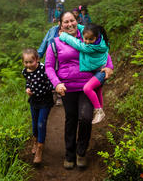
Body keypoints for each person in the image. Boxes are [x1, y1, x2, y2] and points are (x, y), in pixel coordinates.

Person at [45, 12, 114, 169]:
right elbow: (49, 66)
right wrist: (56, 84)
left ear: (77, 21)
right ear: (60, 25)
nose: (70, 24)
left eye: (72, 21)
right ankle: (69, 154)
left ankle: (81, 152)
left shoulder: (87, 36)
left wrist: (109, 68)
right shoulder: (55, 43)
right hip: (67, 88)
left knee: (85, 118)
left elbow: (103, 52)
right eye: (66, 22)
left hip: (87, 85)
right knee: (71, 119)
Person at [59, 23, 110, 124]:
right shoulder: (99, 36)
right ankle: (100, 110)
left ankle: (98, 110)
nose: (87, 42)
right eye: (85, 38)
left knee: (87, 88)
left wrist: (64, 36)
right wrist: (75, 24)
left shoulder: (91, 47)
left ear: (95, 37)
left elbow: (77, 43)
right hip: (98, 70)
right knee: (98, 89)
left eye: (90, 39)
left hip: (101, 71)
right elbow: (84, 29)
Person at [21, 48, 54, 164]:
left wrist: (53, 88)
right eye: (26, 62)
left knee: (41, 124)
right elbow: (28, 82)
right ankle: (35, 141)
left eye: (31, 62)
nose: (29, 65)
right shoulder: (25, 71)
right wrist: (27, 89)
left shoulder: (44, 69)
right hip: (34, 101)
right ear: (23, 62)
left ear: (37, 60)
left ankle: (40, 149)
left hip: (45, 101)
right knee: (34, 124)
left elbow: (51, 80)